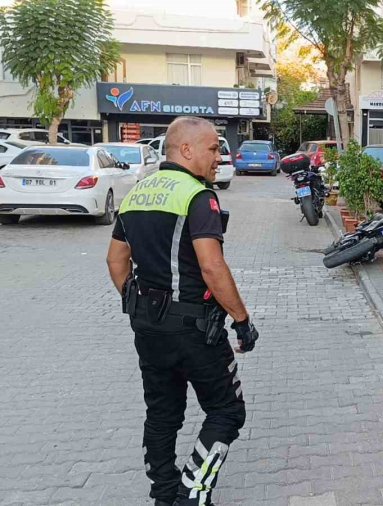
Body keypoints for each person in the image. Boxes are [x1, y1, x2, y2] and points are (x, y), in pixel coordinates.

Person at [106, 116, 259, 506]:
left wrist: (136, 302)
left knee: (162, 413)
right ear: (186, 150)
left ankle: (163, 493)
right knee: (227, 411)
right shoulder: (197, 196)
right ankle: (194, 492)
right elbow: (212, 266)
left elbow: (115, 260)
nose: (218, 157)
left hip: (148, 329)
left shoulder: (137, 193)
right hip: (195, 329)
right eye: (212, 149)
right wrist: (241, 321)